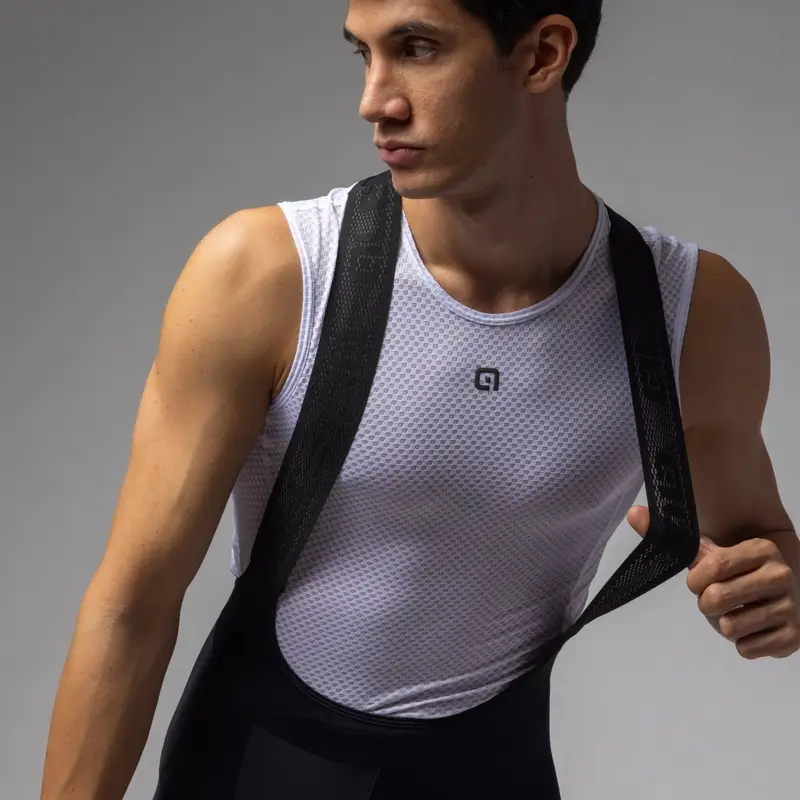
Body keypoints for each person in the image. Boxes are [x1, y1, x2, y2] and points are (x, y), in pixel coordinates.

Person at [40, 1, 800, 798]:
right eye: (364, 54)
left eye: (417, 48)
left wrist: (775, 597)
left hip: (495, 776)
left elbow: (763, 545)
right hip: (258, 768)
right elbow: (131, 606)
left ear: (543, 54)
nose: (374, 100)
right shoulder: (270, 274)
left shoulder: (694, 313)